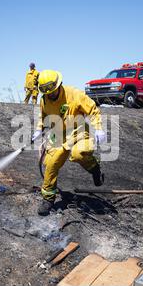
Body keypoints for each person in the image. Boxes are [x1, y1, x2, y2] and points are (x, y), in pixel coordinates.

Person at [32, 70, 106, 216]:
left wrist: (98, 128)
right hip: (58, 135)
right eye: (46, 92)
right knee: (50, 164)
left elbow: (92, 109)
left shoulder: (74, 94)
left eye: (52, 91)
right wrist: (38, 129)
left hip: (79, 132)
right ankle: (48, 199)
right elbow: (42, 116)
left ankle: (94, 168)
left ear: (59, 85)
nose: (50, 95)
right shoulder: (44, 99)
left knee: (78, 154)